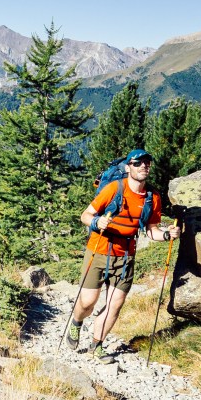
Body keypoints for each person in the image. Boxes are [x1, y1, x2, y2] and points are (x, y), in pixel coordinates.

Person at [66, 148, 180, 363]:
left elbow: (152, 229)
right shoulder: (114, 188)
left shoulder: (152, 197)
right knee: (88, 302)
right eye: (137, 163)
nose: (143, 166)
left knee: (115, 305)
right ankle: (76, 322)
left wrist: (167, 234)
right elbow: (85, 214)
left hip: (127, 255)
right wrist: (96, 222)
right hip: (99, 250)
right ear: (128, 167)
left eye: (147, 162)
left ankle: (97, 345)